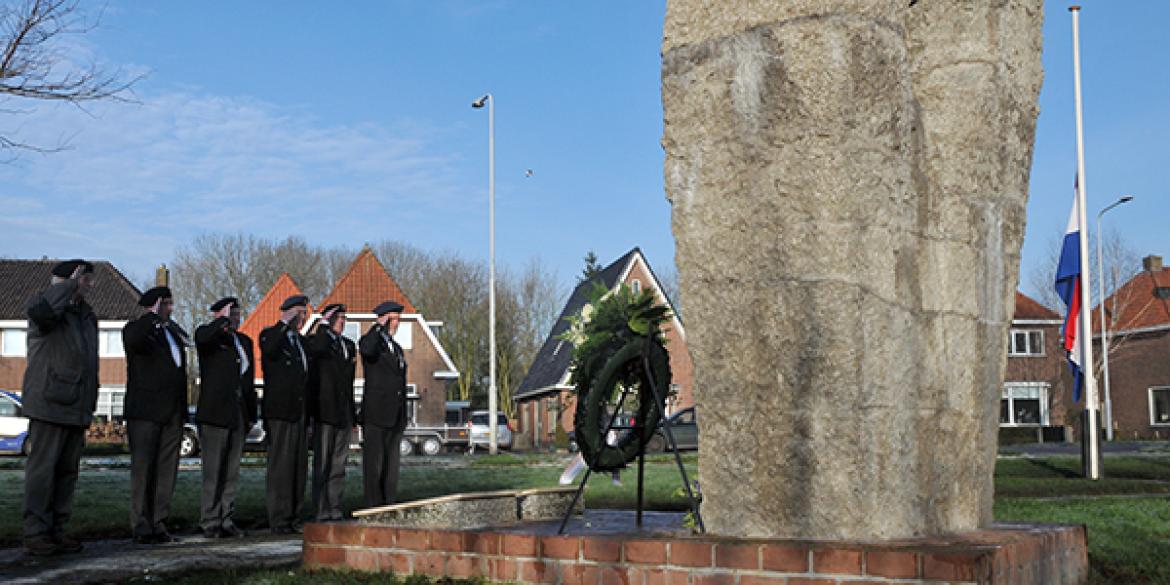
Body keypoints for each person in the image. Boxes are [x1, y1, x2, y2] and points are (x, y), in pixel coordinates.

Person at [21, 260, 98, 556]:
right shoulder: (43, 307)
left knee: (67, 472)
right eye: (86, 280)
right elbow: (41, 314)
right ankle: (36, 532)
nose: (90, 286)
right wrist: (66, 286)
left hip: (76, 405)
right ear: (70, 280)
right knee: (43, 471)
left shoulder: (85, 315)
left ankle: (56, 530)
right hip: (49, 402)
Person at [122, 286, 189, 544]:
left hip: (171, 413)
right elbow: (134, 342)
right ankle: (141, 524)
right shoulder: (138, 329)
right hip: (146, 412)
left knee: (165, 470)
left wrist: (181, 412)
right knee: (144, 469)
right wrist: (151, 316)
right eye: (167, 304)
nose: (171, 309)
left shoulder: (171, 333)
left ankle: (159, 522)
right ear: (156, 304)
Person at [194, 297, 257, 539]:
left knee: (231, 471)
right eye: (231, 314)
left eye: (238, 314)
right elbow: (202, 338)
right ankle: (209, 519)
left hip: (238, 413)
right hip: (215, 414)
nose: (236, 319)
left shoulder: (243, 342)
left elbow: (248, 381)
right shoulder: (210, 338)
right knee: (214, 470)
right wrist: (220, 321)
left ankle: (226, 517)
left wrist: (251, 414)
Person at [260, 294, 311, 533]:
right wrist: (284, 322)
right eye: (300, 313)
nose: (303, 318)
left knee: (298, 467)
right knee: (280, 466)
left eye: (305, 314)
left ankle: (294, 515)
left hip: (298, 412)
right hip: (280, 412)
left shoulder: (300, 343)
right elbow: (269, 350)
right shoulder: (271, 335)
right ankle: (279, 518)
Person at [307, 303, 357, 521]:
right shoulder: (320, 341)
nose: (342, 322)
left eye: (344, 318)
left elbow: (349, 382)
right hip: (325, 412)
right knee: (323, 462)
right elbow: (317, 349)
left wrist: (353, 415)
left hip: (343, 412)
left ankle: (334, 504)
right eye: (338, 318)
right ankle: (320, 507)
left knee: (339, 463)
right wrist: (323, 325)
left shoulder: (347, 345)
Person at [359, 300, 409, 507]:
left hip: (395, 415)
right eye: (394, 319)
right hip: (376, 414)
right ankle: (373, 505)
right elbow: (367, 350)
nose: (397, 324)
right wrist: (378, 326)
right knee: (374, 464)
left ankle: (389, 502)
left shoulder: (396, 349)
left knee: (391, 465)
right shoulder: (372, 343)